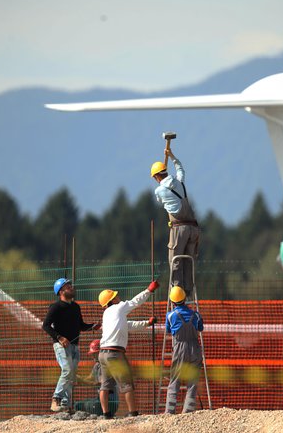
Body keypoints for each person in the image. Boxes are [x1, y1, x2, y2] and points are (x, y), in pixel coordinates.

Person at [97, 281, 160, 418]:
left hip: (102, 354)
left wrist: (147, 323)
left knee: (105, 385)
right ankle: (133, 413)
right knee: (126, 384)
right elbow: (135, 302)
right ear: (112, 300)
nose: (118, 296)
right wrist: (149, 290)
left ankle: (106, 414)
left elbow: (128, 325)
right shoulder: (118, 308)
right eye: (115, 295)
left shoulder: (107, 314)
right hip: (115, 353)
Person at [42, 277, 100, 413]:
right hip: (61, 345)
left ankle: (65, 404)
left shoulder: (75, 307)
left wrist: (93, 326)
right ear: (61, 291)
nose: (71, 288)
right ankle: (56, 398)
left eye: (71, 285)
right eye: (68, 286)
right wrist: (59, 337)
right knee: (67, 370)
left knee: (71, 375)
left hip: (74, 346)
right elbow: (45, 326)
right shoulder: (55, 307)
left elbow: (80, 325)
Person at [151, 146, 200, 298]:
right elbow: (180, 168)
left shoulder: (159, 191)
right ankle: (189, 293)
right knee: (189, 262)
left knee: (175, 262)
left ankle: (177, 294)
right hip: (194, 229)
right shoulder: (180, 182)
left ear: (156, 177)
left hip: (179, 230)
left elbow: (160, 199)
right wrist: (171, 155)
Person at [164, 286, 204, 414]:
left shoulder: (170, 316)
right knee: (192, 381)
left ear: (172, 301)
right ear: (185, 299)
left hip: (179, 348)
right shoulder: (196, 315)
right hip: (194, 348)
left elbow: (168, 330)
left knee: (175, 378)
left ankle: (169, 412)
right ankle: (188, 412)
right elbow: (200, 328)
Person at [74, 339, 119, 416]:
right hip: (101, 400)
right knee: (79, 404)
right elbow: (90, 377)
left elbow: (99, 384)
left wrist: (82, 380)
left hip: (110, 403)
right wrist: (78, 378)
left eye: (94, 353)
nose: (92, 356)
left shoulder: (106, 366)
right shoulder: (97, 365)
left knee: (78, 406)